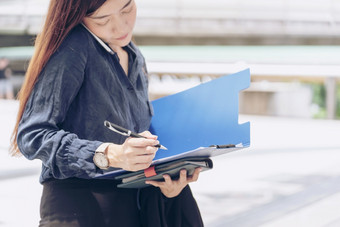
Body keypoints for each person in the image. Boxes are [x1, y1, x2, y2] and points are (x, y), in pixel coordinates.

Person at [10, 0, 204, 226]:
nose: (121, 27)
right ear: (77, 15)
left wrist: (168, 182)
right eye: (102, 19)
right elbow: (32, 135)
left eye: (127, 8)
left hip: (133, 207)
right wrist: (108, 154)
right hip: (81, 209)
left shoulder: (133, 54)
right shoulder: (72, 49)